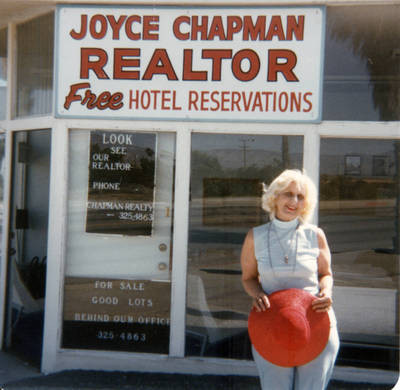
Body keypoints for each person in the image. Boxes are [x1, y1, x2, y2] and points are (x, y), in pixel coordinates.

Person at [240, 169, 339, 390]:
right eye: (288, 194)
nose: (294, 201)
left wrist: (327, 292)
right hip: (272, 326)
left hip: (317, 324)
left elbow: (326, 274)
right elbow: (248, 278)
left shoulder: (315, 235)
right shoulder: (254, 236)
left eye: (300, 196)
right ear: (274, 197)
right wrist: (257, 294)